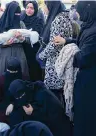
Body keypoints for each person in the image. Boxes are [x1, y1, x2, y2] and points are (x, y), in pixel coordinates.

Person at [53, 1, 96, 136]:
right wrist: (67, 41)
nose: (76, 13)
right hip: (85, 79)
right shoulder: (89, 26)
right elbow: (80, 43)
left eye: (78, 10)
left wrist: (71, 51)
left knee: (86, 115)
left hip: (90, 82)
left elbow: (83, 58)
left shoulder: (94, 32)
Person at [7, 79, 72, 136]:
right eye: (18, 97)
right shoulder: (28, 92)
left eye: (21, 96)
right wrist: (12, 104)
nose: (20, 98)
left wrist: (34, 112)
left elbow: (52, 117)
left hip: (58, 128)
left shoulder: (42, 94)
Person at [38, 0, 73, 103]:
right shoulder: (65, 17)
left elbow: (54, 44)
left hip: (56, 61)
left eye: (45, 5)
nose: (44, 8)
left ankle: (56, 115)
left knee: (55, 94)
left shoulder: (58, 20)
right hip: (63, 59)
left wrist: (42, 55)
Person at [0, 1, 29, 78]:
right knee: (4, 79)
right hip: (4, 54)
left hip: (19, 53)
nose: (17, 15)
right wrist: (4, 43)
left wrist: (22, 38)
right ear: (10, 12)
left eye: (19, 14)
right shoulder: (1, 24)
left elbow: (29, 39)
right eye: (15, 13)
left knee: (20, 78)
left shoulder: (21, 24)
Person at [0, 57, 25, 123]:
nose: (11, 73)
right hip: (4, 104)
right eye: (9, 71)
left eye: (14, 72)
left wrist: (13, 104)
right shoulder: (1, 80)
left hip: (20, 104)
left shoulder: (24, 79)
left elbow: (25, 97)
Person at [20, 0, 44, 81]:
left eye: (32, 8)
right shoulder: (21, 19)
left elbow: (38, 34)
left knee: (33, 71)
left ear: (35, 9)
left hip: (33, 50)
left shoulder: (38, 20)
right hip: (23, 48)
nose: (29, 10)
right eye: (27, 8)